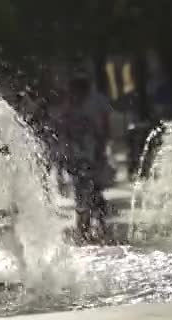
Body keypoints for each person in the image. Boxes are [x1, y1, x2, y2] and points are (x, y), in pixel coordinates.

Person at [63, 73, 111, 243]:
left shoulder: (96, 101)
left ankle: (97, 226)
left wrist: (101, 148)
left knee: (94, 190)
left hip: (93, 153)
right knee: (82, 191)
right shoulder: (72, 104)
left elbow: (105, 126)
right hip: (79, 154)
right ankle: (84, 228)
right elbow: (66, 129)